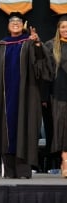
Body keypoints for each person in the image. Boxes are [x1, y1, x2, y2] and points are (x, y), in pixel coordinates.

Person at [0, 12, 54, 179]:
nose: (15, 23)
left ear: (23, 25)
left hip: (27, 96)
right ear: (8, 25)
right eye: (12, 21)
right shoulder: (0, 47)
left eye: (18, 21)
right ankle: (9, 170)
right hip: (4, 98)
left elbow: (43, 70)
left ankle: (24, 171)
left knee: (25, 128)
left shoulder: (30, 43)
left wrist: (38, 45)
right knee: (5, 132)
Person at [44, 14, 67, 178]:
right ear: (58, 29)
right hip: (58, 93)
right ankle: (65, 161)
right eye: (63, 27)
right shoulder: (51, 46)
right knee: (61, 129)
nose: (65, 30)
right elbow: (45, 72)